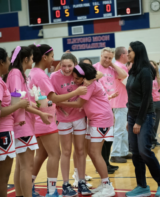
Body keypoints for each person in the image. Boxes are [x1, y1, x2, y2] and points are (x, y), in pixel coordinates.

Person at [28, 44, 87, 197]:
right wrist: (76, 93)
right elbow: (53, 98)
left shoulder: (35, 72)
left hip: (39, 118)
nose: (54, 60)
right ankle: (53, 191)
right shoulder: (43, 75)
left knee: (41, 155)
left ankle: (28, 185)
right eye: (53, 57)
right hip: (45, 119)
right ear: (44, 57)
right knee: (56, 154)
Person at [57, 62, 116, 197]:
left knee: (95, 153)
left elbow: (79, 103)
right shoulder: (88, 82)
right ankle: (104, 182)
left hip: (101, 119)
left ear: (84, 77)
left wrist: (58, 102)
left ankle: (108, 186)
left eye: (77, 78)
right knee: (91, 151)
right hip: (96, 119)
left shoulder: (88, 85)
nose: (74, 80)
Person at [0, 47, 30, 197]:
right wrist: (19, 105)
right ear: (1, 62)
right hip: (0, 132)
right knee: (3, 176)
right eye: (8, 60)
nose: (10, 63)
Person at [5, 46, 52, 197]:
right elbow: (19, 102)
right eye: (31, 58)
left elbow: (23, 101)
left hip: (23, 124)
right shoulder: (16, 74)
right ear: (25, 59)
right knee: (26, 166)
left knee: (21, 166)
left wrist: (37, 109)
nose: (33, 61)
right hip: (22, 125)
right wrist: (40, 113)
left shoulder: (17, 73)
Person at [125, 41, 160, 197]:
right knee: (136, 153)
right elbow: (131, 97)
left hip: (144, 116)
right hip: (132, 116)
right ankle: (142, 186)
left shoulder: (145, 71)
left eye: (130, 51)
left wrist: (138, 121)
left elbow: (146, 98)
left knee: (145, 151)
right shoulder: (133, 70)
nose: (127, 53)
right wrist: (129, 119)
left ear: (137, 52)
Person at [50, 53, 92, 196]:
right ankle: (66, 184)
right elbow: (52, 98)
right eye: (64, 65)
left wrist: (89, 80)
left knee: (80, 150)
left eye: (70, 66)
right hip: (63, 119)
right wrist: (60, 107)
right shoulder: (54, 77)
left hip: (79, 117)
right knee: (66, 151)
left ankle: (81, 182)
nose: (67, 69)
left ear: (75, 64)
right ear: (59, 65)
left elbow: (97, 74)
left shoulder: (79, 72)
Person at [93, 47, 128, 168]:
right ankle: (102, 165)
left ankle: (106, 163)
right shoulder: (95, 67)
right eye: (105, 57)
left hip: (112, 105)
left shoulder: (112, 69)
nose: (107, 60)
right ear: (100, 56)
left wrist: (112, 64)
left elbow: (124, 75)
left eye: (110, 58)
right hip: (100, 106)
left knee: (109, 138)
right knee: (102, 138)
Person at [108, 46, 131, 163]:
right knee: (119, 129)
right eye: (127, 53)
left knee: (124, 128)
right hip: (120, 102)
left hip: (123, 101)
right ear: (122, 55)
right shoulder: (119, 67)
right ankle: (115, 153)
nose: (129, 55)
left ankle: (123, 151)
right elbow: (127, 81)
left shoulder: (120, 66)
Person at [150, 60, 160, 149]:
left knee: (156, 123)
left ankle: (154, 140)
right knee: (151, 123)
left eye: (153, 65)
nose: (152, 66)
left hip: (158, 102)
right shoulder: (146, 76)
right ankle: (150, 141)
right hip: (151, 103)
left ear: (155, 66)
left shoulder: (158, 77)